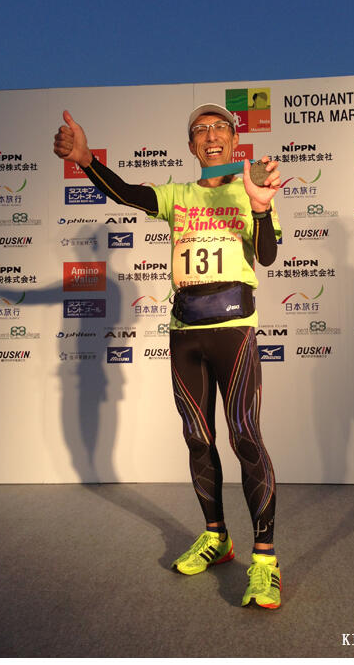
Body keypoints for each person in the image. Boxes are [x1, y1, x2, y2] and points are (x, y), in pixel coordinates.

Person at [53, 103, 283, 609]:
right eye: (200, 130)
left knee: (245, 436)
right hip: (185, 333)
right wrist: (87, 160)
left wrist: (262, 207)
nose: (211, 135)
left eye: (220, 127)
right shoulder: (177, 195)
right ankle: (216, 537)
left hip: (234, 330)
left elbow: (267, 255)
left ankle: (265, 561)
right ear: (191, 146)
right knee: (198, 438)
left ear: (234, 139)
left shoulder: (250, 187)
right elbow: (127, 193)